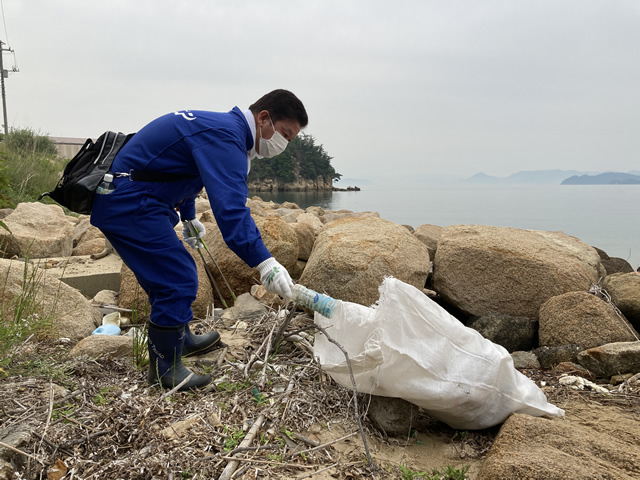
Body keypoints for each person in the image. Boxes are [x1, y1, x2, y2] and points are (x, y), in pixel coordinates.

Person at [90, 89, 308, 391]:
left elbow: (186, 172)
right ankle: (164, 368)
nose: (284, 144)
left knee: (171, 273)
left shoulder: (223, 130)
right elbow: (231, 211)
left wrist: (190, 215)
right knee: (176, 278)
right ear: (263, 118)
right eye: (285, 134)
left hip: (141, 199)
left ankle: (180, 339)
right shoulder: (225, 137)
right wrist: (265, 263)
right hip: (130, 203)